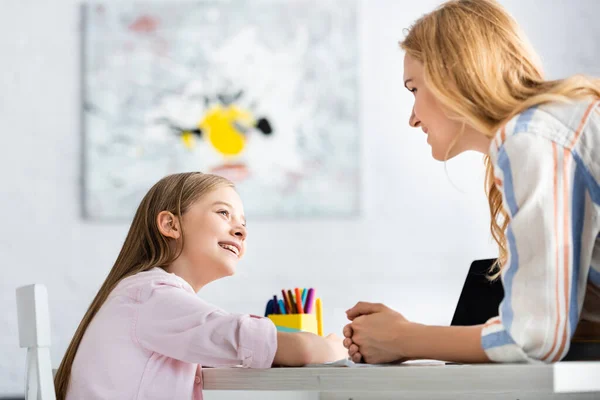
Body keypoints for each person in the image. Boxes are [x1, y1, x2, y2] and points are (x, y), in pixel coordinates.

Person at [343, 0, 600, 364]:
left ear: (452, 78)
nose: (412, 119)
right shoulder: (555, 125)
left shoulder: (532, 139)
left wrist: (402, 339)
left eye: (414, 89)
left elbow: (534, 339)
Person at [54, 172, 346, 399]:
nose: (241, 230)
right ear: (170, 225)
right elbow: (293, 348)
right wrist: (335, 347)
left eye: (243, 222)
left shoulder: (141, 296)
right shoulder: (152, 297)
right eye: (223, 213)